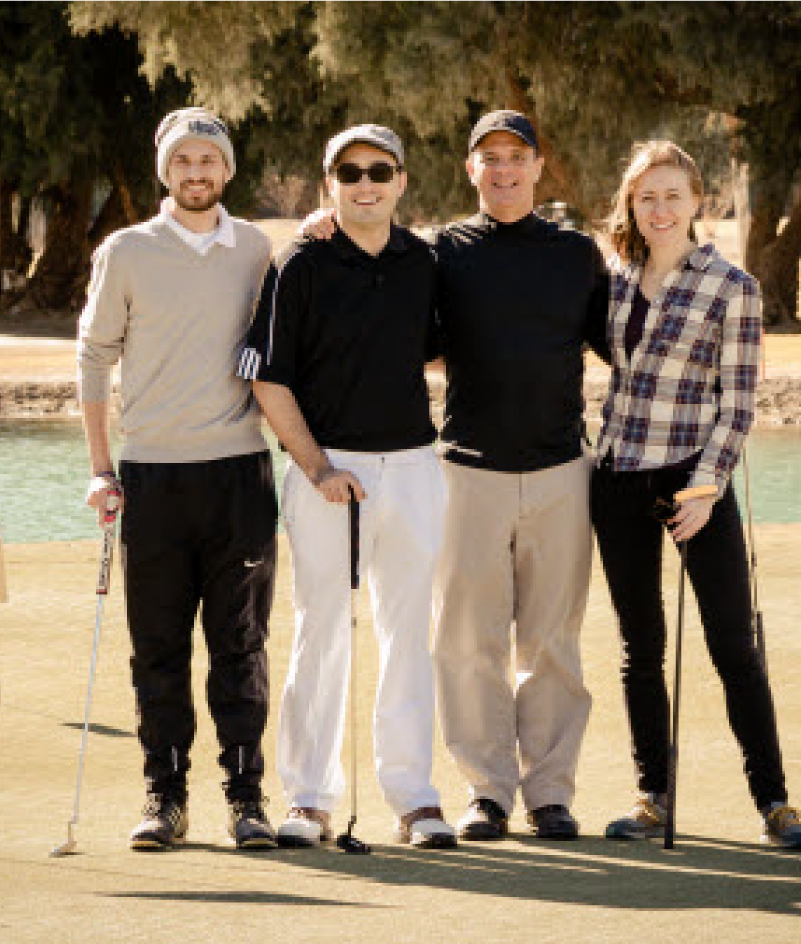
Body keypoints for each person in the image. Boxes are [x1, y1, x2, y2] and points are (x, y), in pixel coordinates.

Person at [299, 110, 609, 841]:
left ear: (538, 167)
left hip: (562, 468)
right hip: (467, 471)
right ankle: (487, 790)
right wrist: (326, 218)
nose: (502, 169)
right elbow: (388, 287)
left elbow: (618, 340)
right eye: (488, 157)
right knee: (466, 642)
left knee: (552, 642)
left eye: (516, 157)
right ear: (469, 169)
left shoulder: (576, 253)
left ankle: (550, 792)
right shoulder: (441, 254)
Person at [590, 140, 801, 849]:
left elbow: (737, 404)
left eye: (671, 196)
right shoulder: (614, 279)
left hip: (692, 480)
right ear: (631, 204)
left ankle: (774, 803)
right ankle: (653, 798)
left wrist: (705, 488)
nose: (658, 209)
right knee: (640, 648)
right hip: (618, 475)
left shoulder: (731, 286)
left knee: (732, 646)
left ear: (698, 202)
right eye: (645, 197)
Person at [240, 124, 456, 849]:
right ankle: (308, 799)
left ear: (400, 180)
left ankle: (415, 800)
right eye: (350, 171)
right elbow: (267, 377)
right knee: (321, 631)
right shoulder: (298, 263)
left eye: (379, 170)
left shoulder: (425, 261)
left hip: (415, 469)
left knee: (407, 638)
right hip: (327, 471)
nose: (366, 183)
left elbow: (443, 347)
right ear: (329, 181)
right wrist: (318, 468)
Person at [77, 107, 279, 851]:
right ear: (166, 171)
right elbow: (93, 357)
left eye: (209, 160)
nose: (197, 173)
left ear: (226, 170)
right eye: (183, 161)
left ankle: (246, 797)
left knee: (240, 646)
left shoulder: (256, 247)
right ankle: (164, 798)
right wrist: (101, 468)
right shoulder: (126, 250)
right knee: (157, 648)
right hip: (152, 478)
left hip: (239, 476)